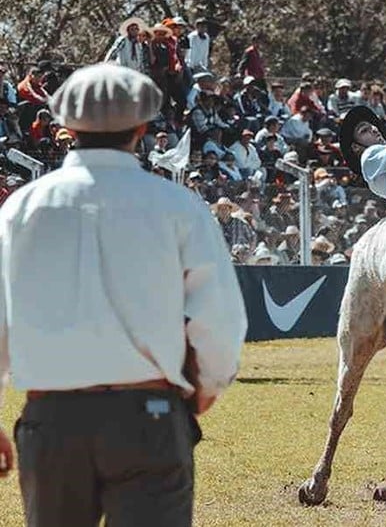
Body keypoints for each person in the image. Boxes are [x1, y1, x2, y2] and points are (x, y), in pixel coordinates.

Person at [0, 63, 246, 526]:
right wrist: (207, 388)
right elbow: (219, 317)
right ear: (142, 128)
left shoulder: (22, 208)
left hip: (51, 419)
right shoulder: (177, 205)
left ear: (67, 127)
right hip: (148, 416)